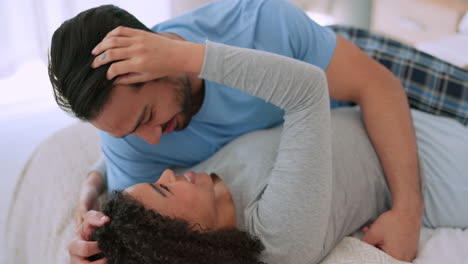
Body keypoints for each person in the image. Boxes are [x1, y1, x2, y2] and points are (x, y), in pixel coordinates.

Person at [48, 2, 463, 262]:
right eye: (126, 135)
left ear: (157, 58)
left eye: (146, 118)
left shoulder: (258, 24)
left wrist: (408, 210)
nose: (155, 146)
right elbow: (141, 228)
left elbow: (376, 87)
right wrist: (92, 201)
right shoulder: (133, 144)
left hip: (360, 101)